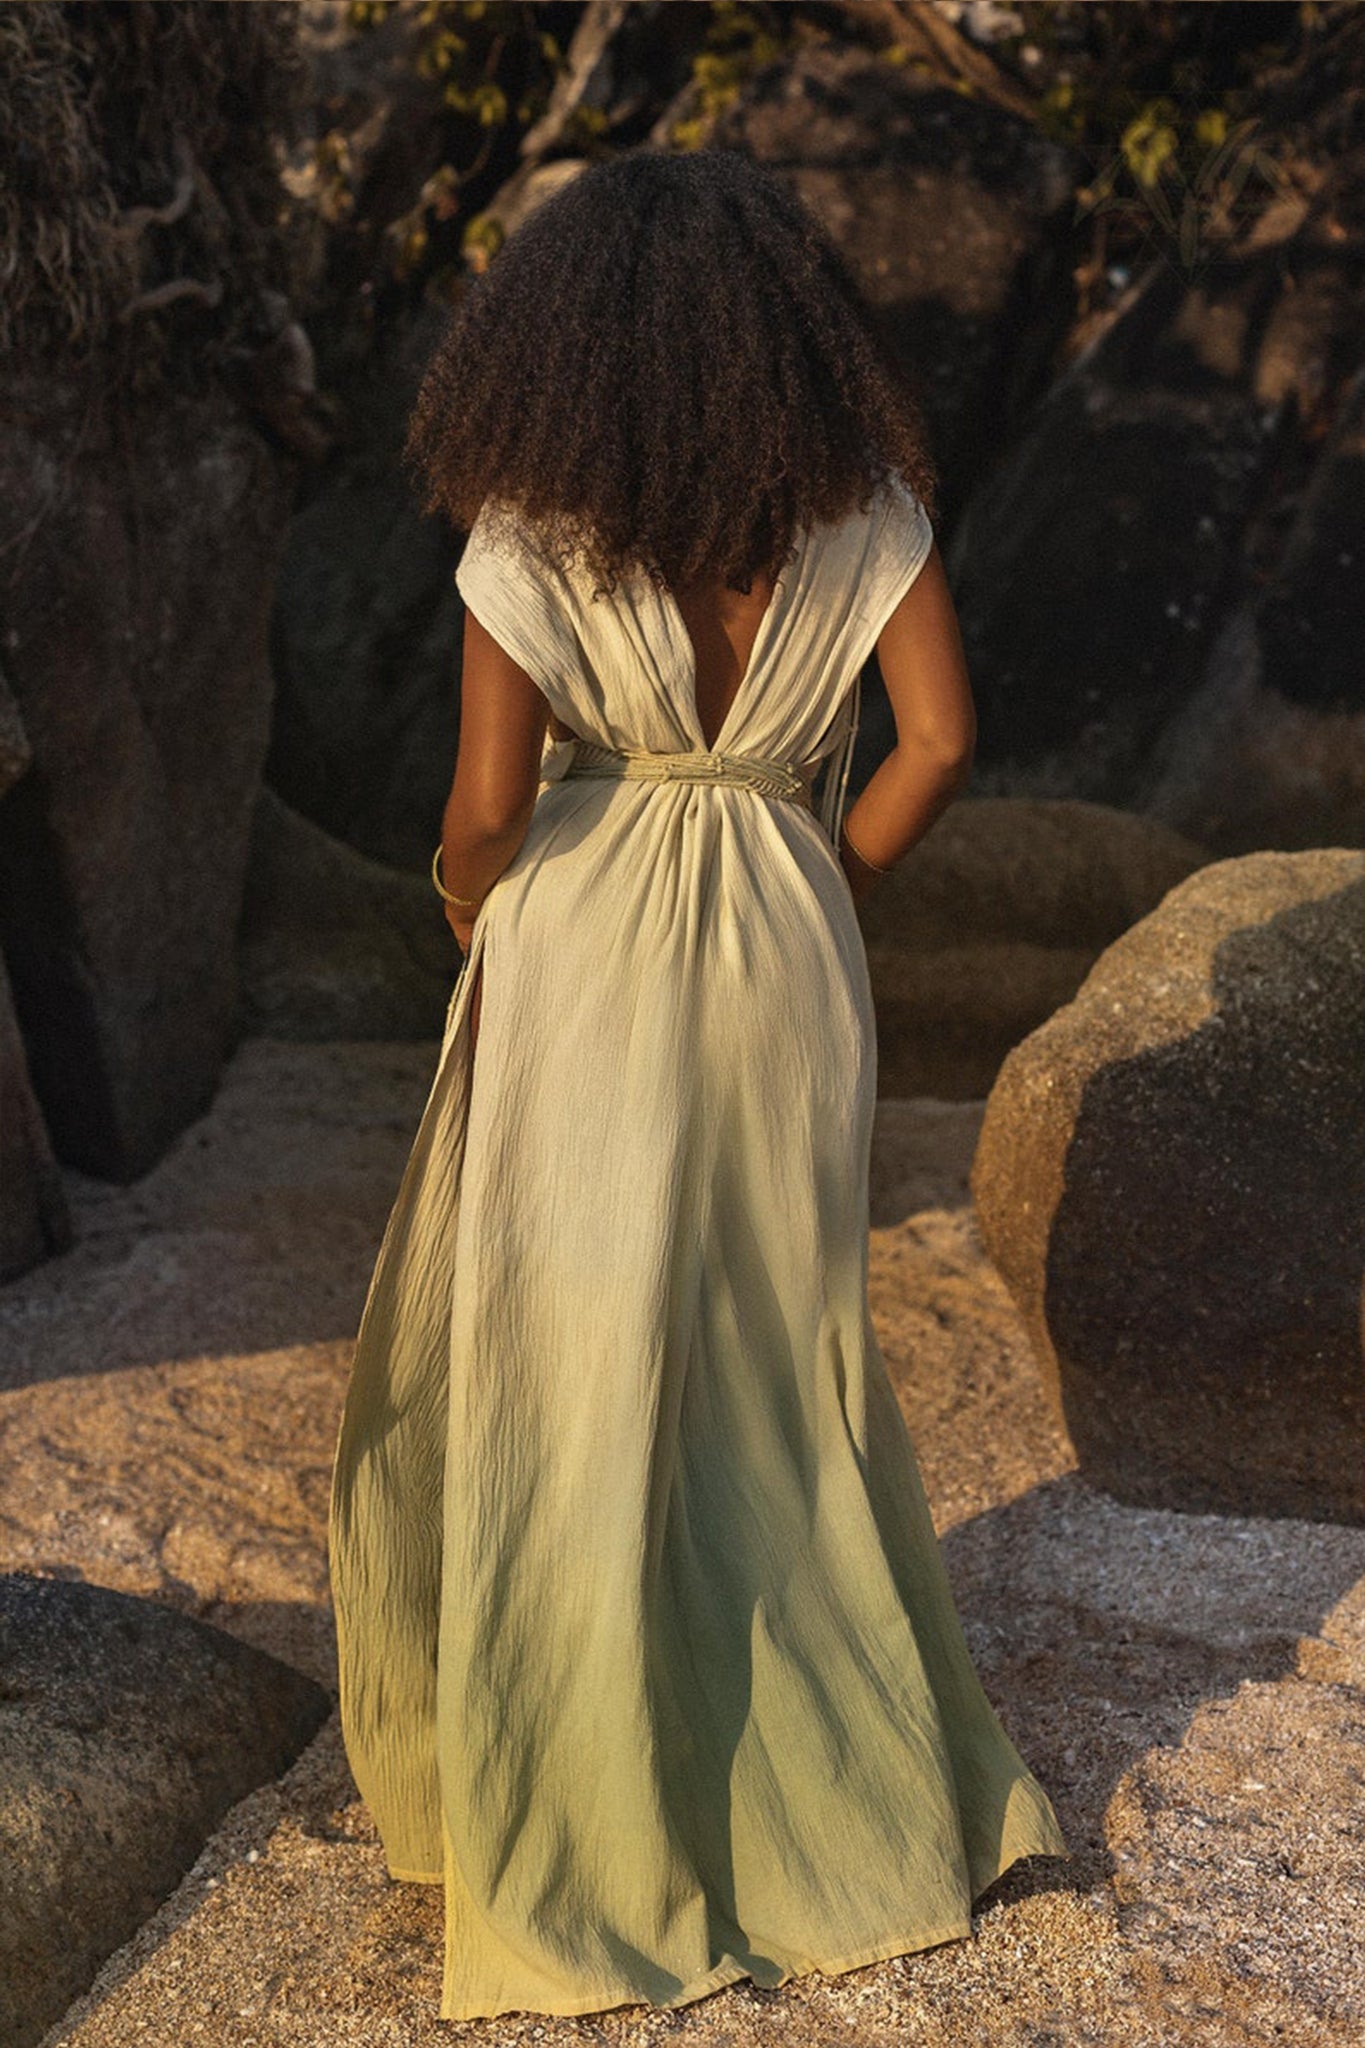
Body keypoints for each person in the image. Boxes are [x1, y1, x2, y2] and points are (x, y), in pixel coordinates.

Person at [327, 143, 1067, 2026]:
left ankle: (579, 1796)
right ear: (789, 330)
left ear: (560, 342)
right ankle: (846, 1786)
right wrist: (820, 878)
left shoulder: (527, 532)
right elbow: (942, 744)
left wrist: (477, 919)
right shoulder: (870, 510)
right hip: (785, 933)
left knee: (571, 1363)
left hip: (578, 948)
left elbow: (486, 813)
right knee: (773, 1356)